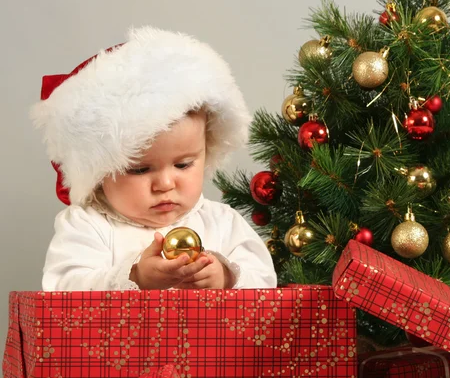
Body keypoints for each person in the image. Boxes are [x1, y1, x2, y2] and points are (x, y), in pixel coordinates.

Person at [31, 26, 277, 291]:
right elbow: (63, 288)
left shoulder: (222, 223)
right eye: (140, 170)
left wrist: (227, 278)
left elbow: (265, 282)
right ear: (100, 171)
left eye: (183, 164)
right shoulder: (88, 226)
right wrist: (134, 277)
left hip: (208, 334)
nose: (165, 184)